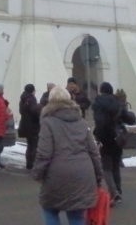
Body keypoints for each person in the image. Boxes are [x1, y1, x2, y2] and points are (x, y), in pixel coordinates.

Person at [32, 86, 104, 225]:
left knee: (50, 210)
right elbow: (93, 151)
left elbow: (44, 153)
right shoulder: (81, 121)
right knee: (77, 215)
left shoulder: (48, 122)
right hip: (83, 174)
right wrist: (98, 176)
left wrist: (37, 173)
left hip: (56, 175)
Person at [92, 81, 134, 205]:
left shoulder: (98, 103)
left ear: (101, 90)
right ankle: (118, 191)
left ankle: (113, 193)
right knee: (115, 165)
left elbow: (99, 123)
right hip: (118, 137)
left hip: (105, 138)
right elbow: (129, 118)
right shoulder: (118, 103)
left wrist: (98, 136)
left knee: (106, 167)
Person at [18, 83, 41, 169]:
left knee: (29, 144)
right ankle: (33, 163)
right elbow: (34, 111)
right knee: (34, 145)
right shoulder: (31, 98)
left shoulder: (23, 98)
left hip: (24, 124)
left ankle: (28, 163)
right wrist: (39, 108)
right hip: (32, 125)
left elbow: (21, 111)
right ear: (32, 90)